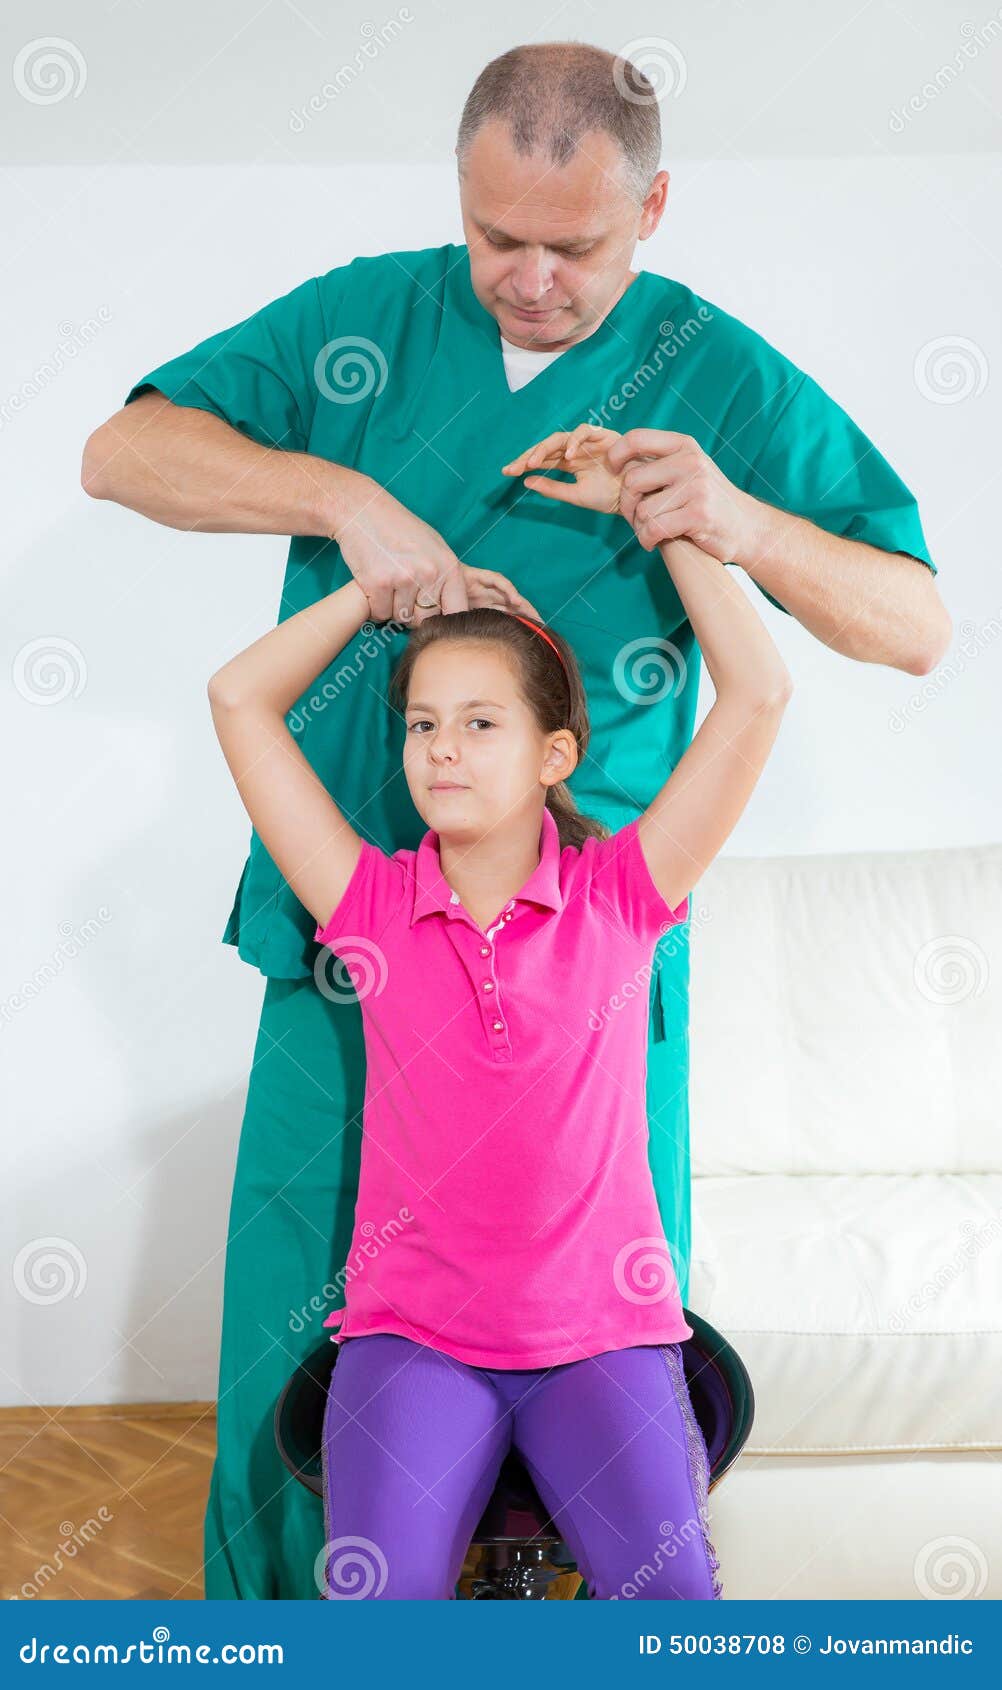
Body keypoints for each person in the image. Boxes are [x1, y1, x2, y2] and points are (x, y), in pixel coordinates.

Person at [82, 41, 949, 1600]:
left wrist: (731, 521)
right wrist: (338, 498)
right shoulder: (368, 317)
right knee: (307, 1374)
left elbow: (911, 625)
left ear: (655, 208)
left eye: (575, 246)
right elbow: (123, 451)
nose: (530, 280)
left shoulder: (718, 374)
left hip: (590, 982)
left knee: (610, 1399)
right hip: (348, 944)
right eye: (496, 239)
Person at [206, 418, 792, 1599]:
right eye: (423, 722)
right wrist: (378, 589)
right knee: (378, 1632)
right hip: (413, 1347)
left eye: (482, 723)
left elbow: (760, 690)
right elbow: (237, 699)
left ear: (554, 753)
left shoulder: (625, 894)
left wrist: (656, 514)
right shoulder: (367, 906)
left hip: (606, 1347)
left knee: (684, 1625)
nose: (442, 749)